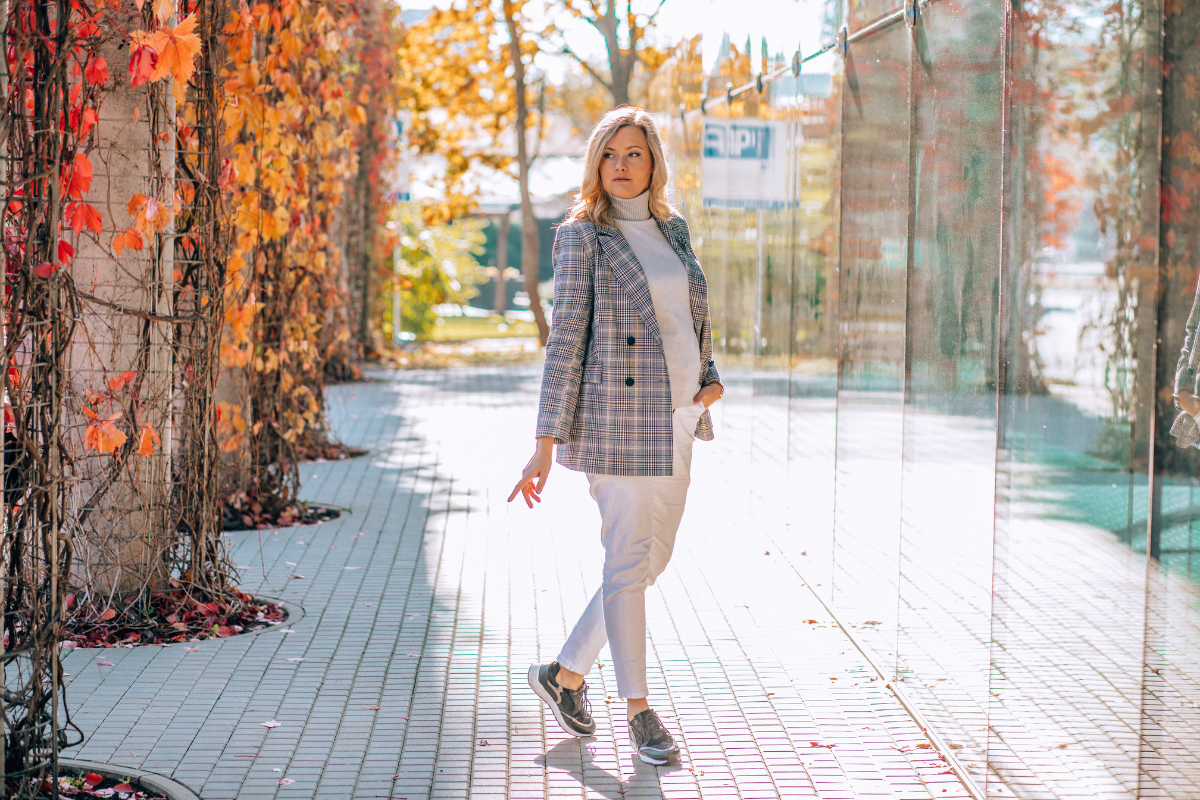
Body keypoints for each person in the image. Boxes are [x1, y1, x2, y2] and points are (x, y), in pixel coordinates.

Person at [507, 106, 723, 766]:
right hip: (618, 420)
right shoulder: (583, 236)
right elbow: (565, 340)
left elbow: (689, 318)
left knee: (648, 563)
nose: (622, 165)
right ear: (596, 164)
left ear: (654, 161)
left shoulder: (674, 229)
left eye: (635, 153)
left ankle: (565, 674)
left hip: (680, 416)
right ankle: (640, 711)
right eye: (610, 154)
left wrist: (710, 375)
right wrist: (545, 440)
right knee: (628, 562)